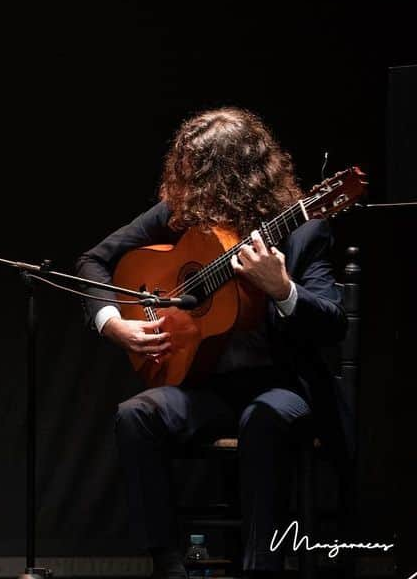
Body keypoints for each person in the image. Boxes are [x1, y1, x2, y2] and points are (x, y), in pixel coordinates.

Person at [75, 107, 349, 579]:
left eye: (194, 175)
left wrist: (282, 291)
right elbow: (94, 262)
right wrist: (113, 322)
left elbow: (332, 322)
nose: (181, 191)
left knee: (262, 418)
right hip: (208, 386)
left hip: (282, 387)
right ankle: (168, 564)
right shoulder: (186, 216)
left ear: (233, 176)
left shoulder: (304, 228)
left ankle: (262, 566)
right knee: (135, 415)